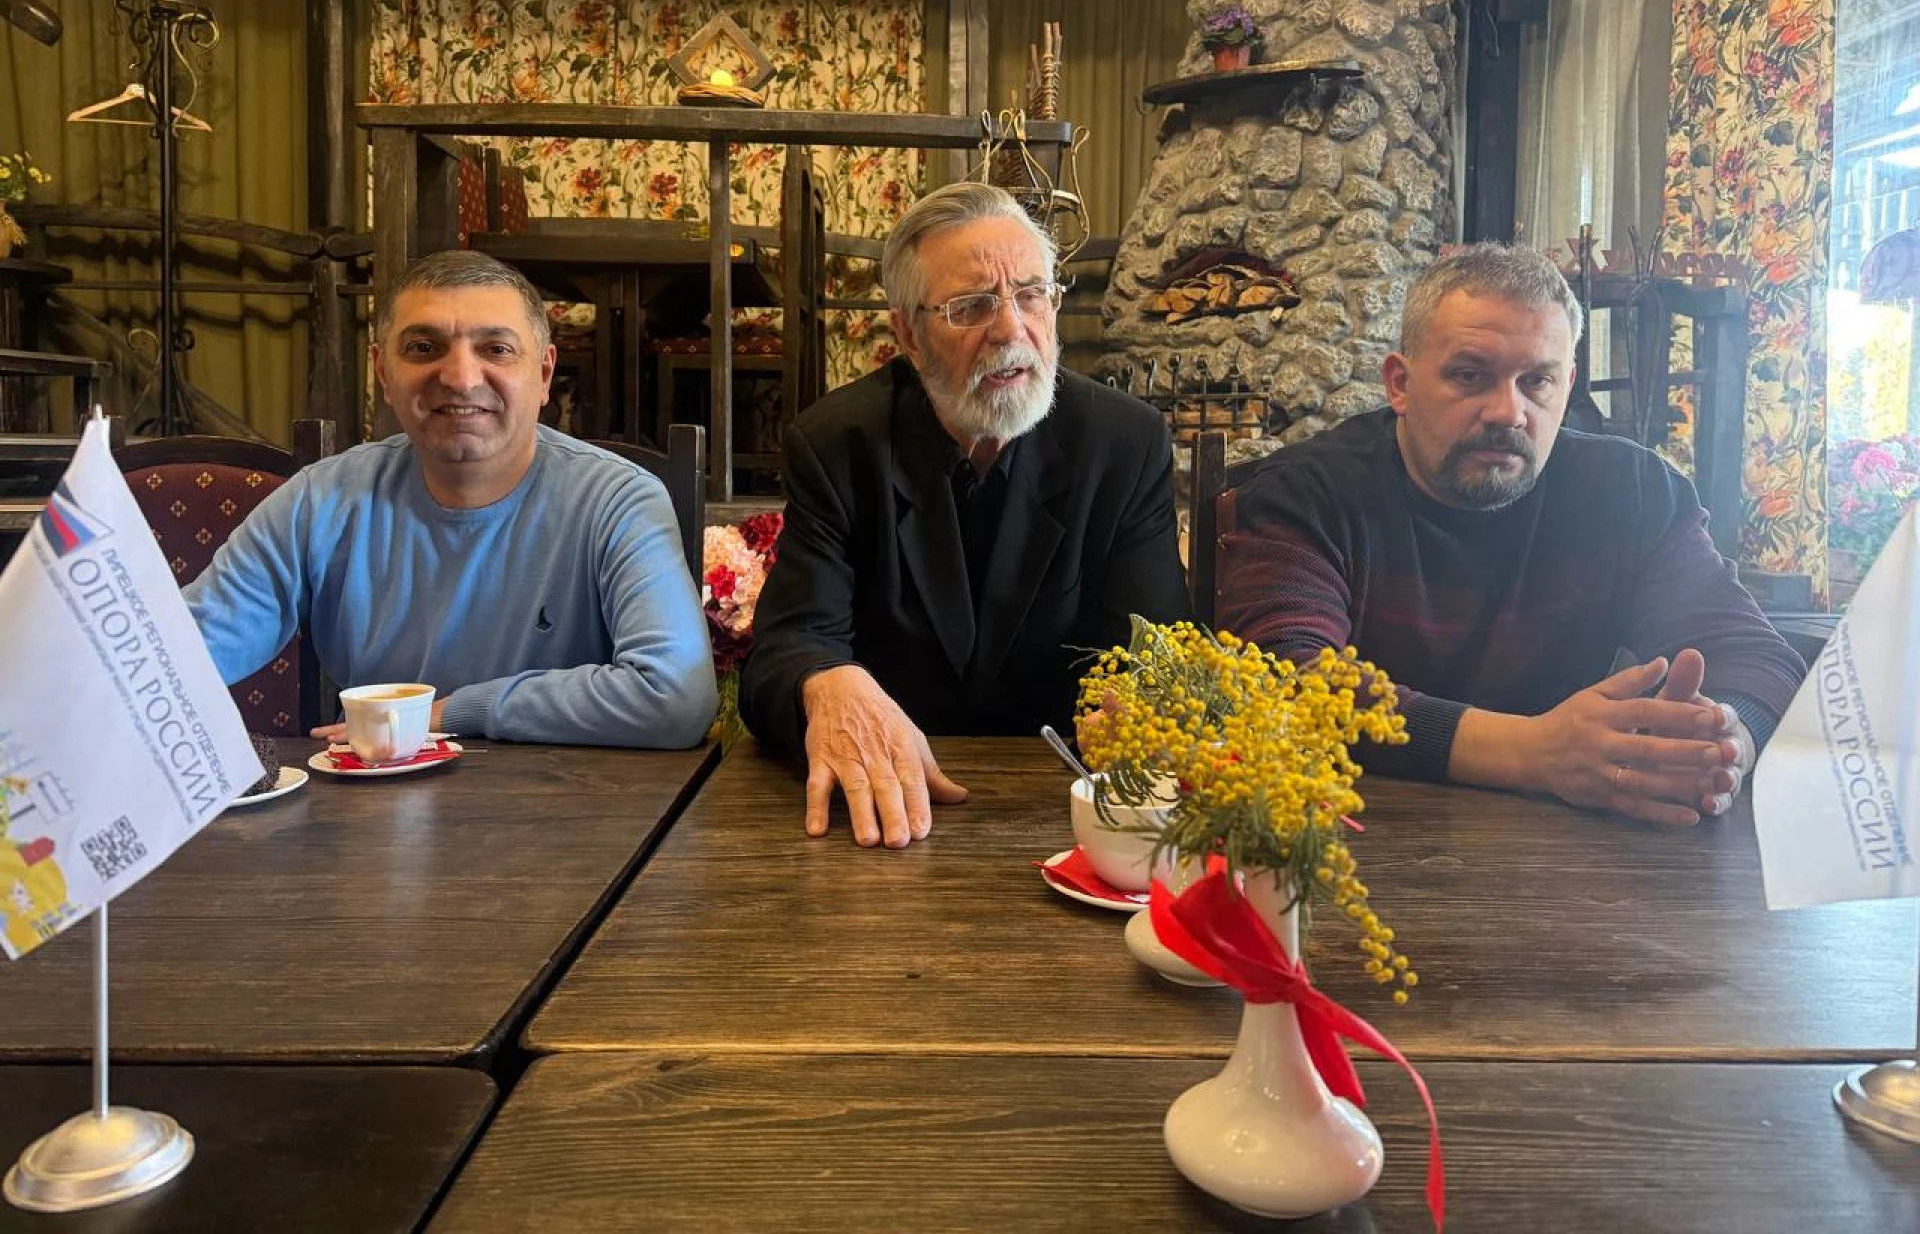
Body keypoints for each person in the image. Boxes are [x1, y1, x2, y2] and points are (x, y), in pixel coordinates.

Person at [1218, 242, 1805, 827]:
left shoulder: (1633, 492)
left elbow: (1757, 656)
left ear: (1567, 386)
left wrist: (1720, 743)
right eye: (1470, 376)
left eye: (1537, 381)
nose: (1508, 411)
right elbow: (1283, 678)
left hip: (1573, 854)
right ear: (1400, 384)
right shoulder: (1308, 493)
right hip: (1347, 838)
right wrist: (1535, 752)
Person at [741, 182, 1190, 848]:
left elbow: (1155, 647)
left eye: (1031, 294)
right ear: (909, 334)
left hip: (1070, 810)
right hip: (886, 811)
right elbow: (787, 648)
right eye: (972, 306)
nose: (1011, 329)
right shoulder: (838, 445)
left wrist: (1142, 708)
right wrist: (823, 680)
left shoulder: (1124, 445)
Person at [185, 249, 718, 748]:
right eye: (424, 347)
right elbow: (177, 662)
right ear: (383, 373)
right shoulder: (319, 501)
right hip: (377, 804)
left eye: (496, 349)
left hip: (574, 803)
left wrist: (449, 714)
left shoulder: (616, 501)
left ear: (544, 374)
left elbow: (675, 697)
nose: (461, 378)